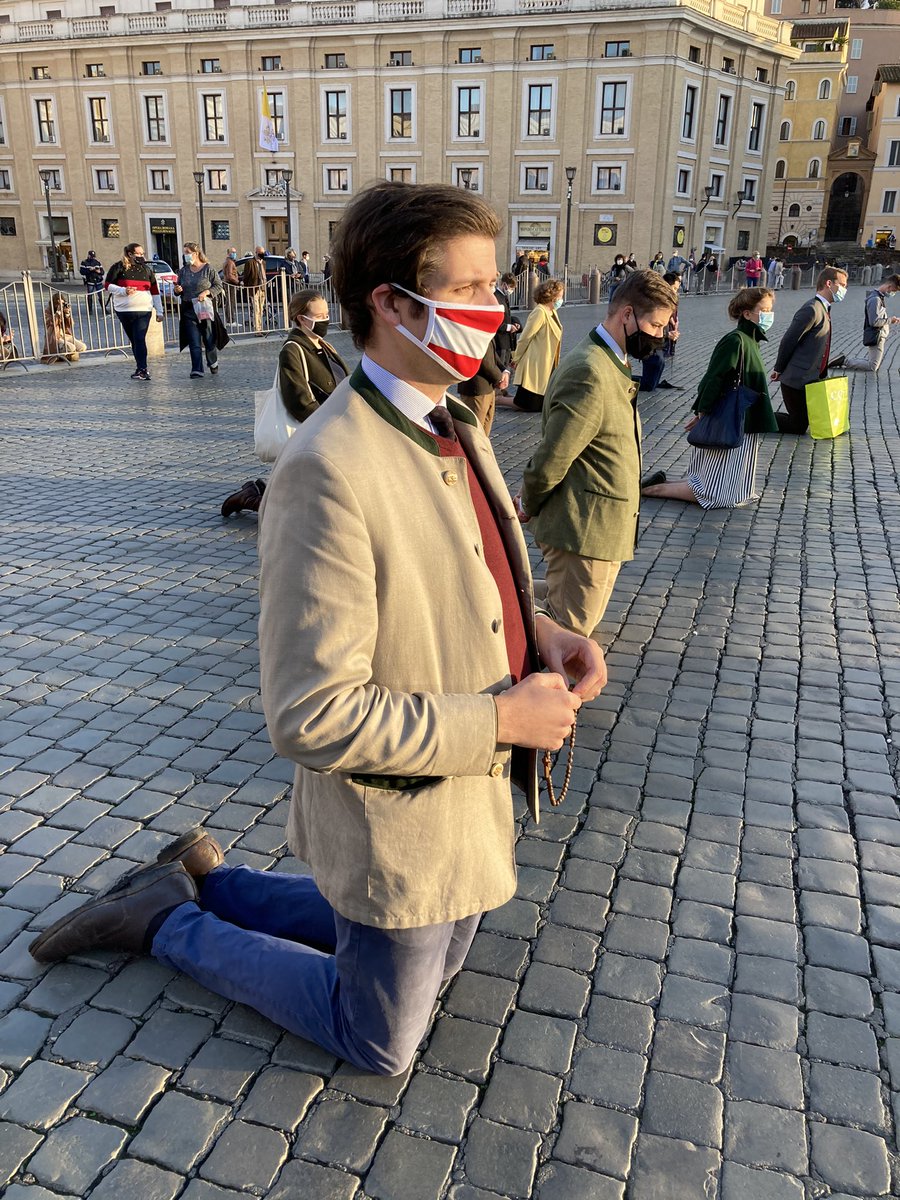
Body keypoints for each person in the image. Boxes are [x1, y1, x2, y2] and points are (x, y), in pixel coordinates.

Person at [31, 180, 606, 1079]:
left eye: (499, 288)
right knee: (378, 1037)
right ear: (390, 302)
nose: (495, 311)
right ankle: (164, 920)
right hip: (406, 814)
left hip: (464, 800)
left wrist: (541, 634)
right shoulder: (328, 467)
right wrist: (500, 722)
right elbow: (309, 712)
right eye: (471, 291)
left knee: (442, 944)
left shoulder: (453, 419)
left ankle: (208, 881)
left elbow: (458, 571)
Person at [518, 270, 678, 637]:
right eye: (655, 325)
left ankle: (505, 601)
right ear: (626, 315)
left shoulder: (612, 360)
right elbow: (552, 458)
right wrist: (528, 502)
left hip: (602, 529)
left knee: (567, 619)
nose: (659, 336)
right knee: (569, 634)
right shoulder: (590, 370)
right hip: (583, 531)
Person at [642, 287, 779, 508]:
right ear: (746, 313)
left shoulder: (750, 339)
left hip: (743, 418)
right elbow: (714, 377)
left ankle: (662, 484)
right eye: (763, 310)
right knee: (711, 489)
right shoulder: (736, 340)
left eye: (770, 310)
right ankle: (652, 489)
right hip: (730, 418)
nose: (769, 315)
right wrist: (702, 411)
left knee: (728, 484)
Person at [221, 290, 348, 517]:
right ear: (301, 318)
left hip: (332, 425)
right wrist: (326, 424)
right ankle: (252, 497)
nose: (325, 320)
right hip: (316, 429)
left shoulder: (325, 345)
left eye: (327, 314)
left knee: (309, 489)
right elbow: (297, 399)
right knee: (303, 498)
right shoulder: (293, 349)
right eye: (319, 316)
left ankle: (257, 490)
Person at [770, 266, 848, 433]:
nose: (844, 289)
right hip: (795, 379)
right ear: (829, 283)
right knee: (797, 425)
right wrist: (779, 368)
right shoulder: (812, 309)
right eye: (842, 285)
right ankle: (755, 417)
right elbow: (789, 340)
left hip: (810, 379)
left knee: (808, 421)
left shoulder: (824, 308)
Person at [500, 277, 563, 412]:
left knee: (538, 404)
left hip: (547, 362)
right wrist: (515, 358)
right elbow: (525, 337)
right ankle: (496, 399)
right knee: (527, 404)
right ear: (552, 296)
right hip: (535, 363)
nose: (561, 300)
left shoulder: (552, 312)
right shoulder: (540, 312)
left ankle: (502, 396)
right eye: (560, 296)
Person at [104, 242, 163, 380]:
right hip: (124, 310)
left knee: (139, 338)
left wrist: (159, 311)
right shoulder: (118, 267)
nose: (142, 256)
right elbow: (107, 285)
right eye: (139, 254)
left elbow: (155, 291)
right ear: (130, 254)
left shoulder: (146, 269)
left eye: (143, 254)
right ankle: (139, 367)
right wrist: (122, 290)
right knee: (134, 340)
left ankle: (143, 369)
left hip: (144, 310)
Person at [174, 242, 223, 379]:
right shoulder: (183, 271)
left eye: (187, 252)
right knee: (194, 341)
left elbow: (218, 285)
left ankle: (212, 362)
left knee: (208, 339)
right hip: (189, 309)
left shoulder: (208, 269)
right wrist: (177, 290)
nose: (186, 255)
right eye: (184, 253)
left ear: (196, 254)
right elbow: (178, 288)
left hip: (204, 309)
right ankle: (196, 369)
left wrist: (207, 292)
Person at [843, 274, 900, 372]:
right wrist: (891, 320)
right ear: (889, 287)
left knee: (873, 363)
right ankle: (845, 361)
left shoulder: (878, 297)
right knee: (872, 366)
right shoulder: (875, 299)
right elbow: (874, 322)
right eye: (894, 291)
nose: (893, 293)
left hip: (879, 334)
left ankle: (845, 360)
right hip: (876, 335)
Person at [639, 271, 682, 392]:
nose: (675, 292)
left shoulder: (670, 301)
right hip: (651, 341)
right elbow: (651, 324)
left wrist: (673, 330)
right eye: (674, 288)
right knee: (651, 377)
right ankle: (625, 381)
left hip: (661, 341)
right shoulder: (655, 301)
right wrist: (667, 334)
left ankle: (647, 383)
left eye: (677, 289)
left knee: (656, 371)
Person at [457, 345, 508, 436]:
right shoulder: (474, 331)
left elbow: (491, 352)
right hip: (476, 388)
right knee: (475, 432)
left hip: (488, 386)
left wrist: (503, 370)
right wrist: (499, 378)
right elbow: (485, 361)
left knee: (484, 431)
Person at [41, 294, 87, 364]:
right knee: (71, 348)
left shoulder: (63, 310)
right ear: (54, 304)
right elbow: (52, 323)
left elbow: (71, 324)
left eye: (62, 303)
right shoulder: (48, 311)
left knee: (82, 347)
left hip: (65, 335)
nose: (61, 305)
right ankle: (60, 353)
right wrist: (58, 312)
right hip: (55, 337)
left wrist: (67, 314)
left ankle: (65, 353)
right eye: (58, 304)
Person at [492, 272, 522, 375]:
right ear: (504, 284)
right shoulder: (496, 297)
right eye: (510, 287)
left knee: (505, 370)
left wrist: (515, 322)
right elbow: (494, 321)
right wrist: (508, 327)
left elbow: (507, 316)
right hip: (500, 341)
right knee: (500, 371)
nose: (511, 290)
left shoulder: (503, 296)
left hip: (507, 341)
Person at [242, 246, 268, 334]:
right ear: (256, 252)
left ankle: (260, 328)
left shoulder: (263, 262)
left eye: (263, 253)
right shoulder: (250, 262)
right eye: (260, 253)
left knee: (261, 309)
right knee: (256, 309)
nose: (262, 255)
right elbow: (246, 276)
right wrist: (247, 288)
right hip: (254, 288)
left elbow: (264, 274)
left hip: (263, 288)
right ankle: (257, 330)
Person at [79, 250, 104, 314]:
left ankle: (104, 309)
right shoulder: (84, 262)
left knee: (101, 296)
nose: (93, 258)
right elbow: (82, 272)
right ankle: (90, 310)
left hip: (98, 281)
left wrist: (99, 271)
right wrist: (89, 270)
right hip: (90, 281)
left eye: (94, 257)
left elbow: (102, 272)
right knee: (90, 296)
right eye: (92, 256)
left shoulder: (97, 262)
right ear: (88, 255)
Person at [223, 247, 240, 327]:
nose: (234, 253)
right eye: (232, 252)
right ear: (228, 253)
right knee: (231, 302)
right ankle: (230, 320)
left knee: (229, 302)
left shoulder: (229, 261)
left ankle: (229, 320)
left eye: (235, 252)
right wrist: (237, 282)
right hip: (230, 284)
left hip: (229, 283)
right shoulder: (230, 262)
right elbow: (230, 275)